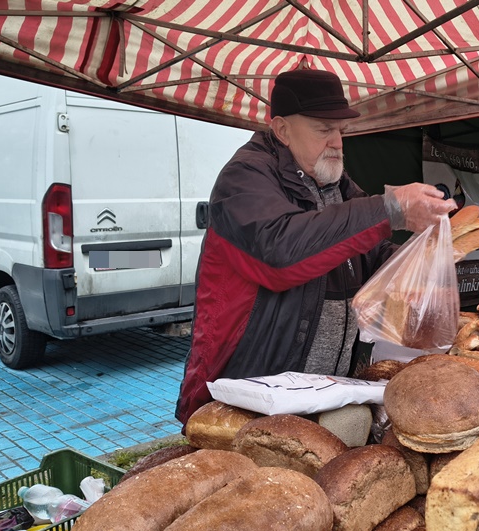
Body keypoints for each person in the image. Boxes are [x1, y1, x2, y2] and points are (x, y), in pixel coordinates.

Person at [175, 68, 456, 425]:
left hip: (322, 395)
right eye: (324, 130)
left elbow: (366, 256)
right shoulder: (243, 179)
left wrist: (419, 262)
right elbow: (282, 255)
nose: (338, 142)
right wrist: (391, 208)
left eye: (341, 130)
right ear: (282, 129)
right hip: (248, 395)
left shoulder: (333, 183)